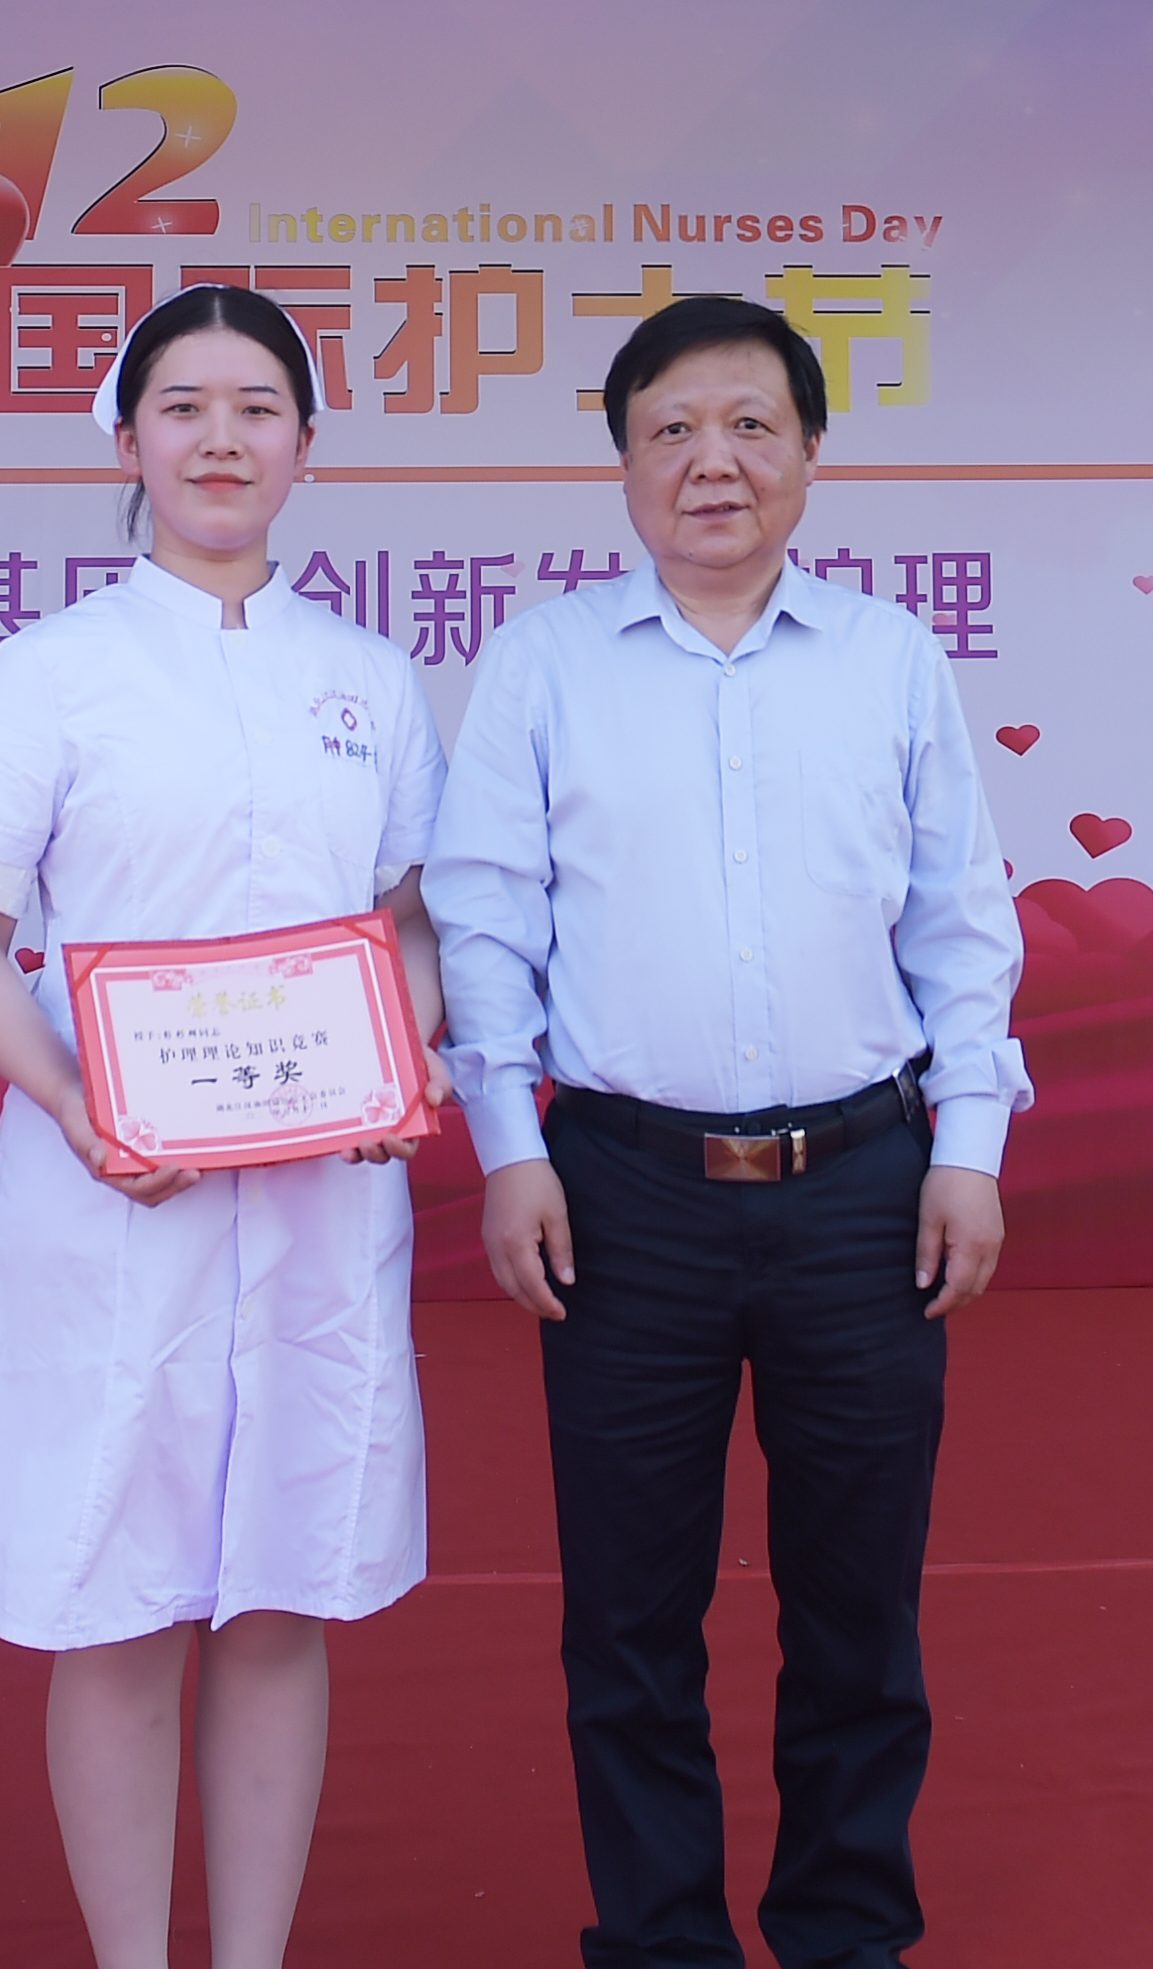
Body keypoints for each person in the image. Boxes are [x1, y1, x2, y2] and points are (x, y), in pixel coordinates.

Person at [422, 295, 1030, 1969]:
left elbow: (958, 920)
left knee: (858, 1609)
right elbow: (485, 919)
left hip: (862, 1187)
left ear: (811, 455)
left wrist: (968, 1145)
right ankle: (660, 1942)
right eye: (672, 429)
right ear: (622, 465)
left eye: (752, 425)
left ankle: (845, 1932)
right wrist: (507, 1147)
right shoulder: (544, 663)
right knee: (629, 1620)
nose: (714, 462)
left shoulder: (889, 660)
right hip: (625, 1192)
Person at [0, 283, 451, 1969]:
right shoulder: (52, 673)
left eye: (256, 409)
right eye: (183, 408)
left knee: (284, 1593)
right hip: (112, 1195)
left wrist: (402, 1053)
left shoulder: (368, 677)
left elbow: (407, 922)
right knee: (121, 1603)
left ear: (308, 444)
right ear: (127, 441)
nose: (221, 440)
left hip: (317, 1199)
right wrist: (75, 1103)